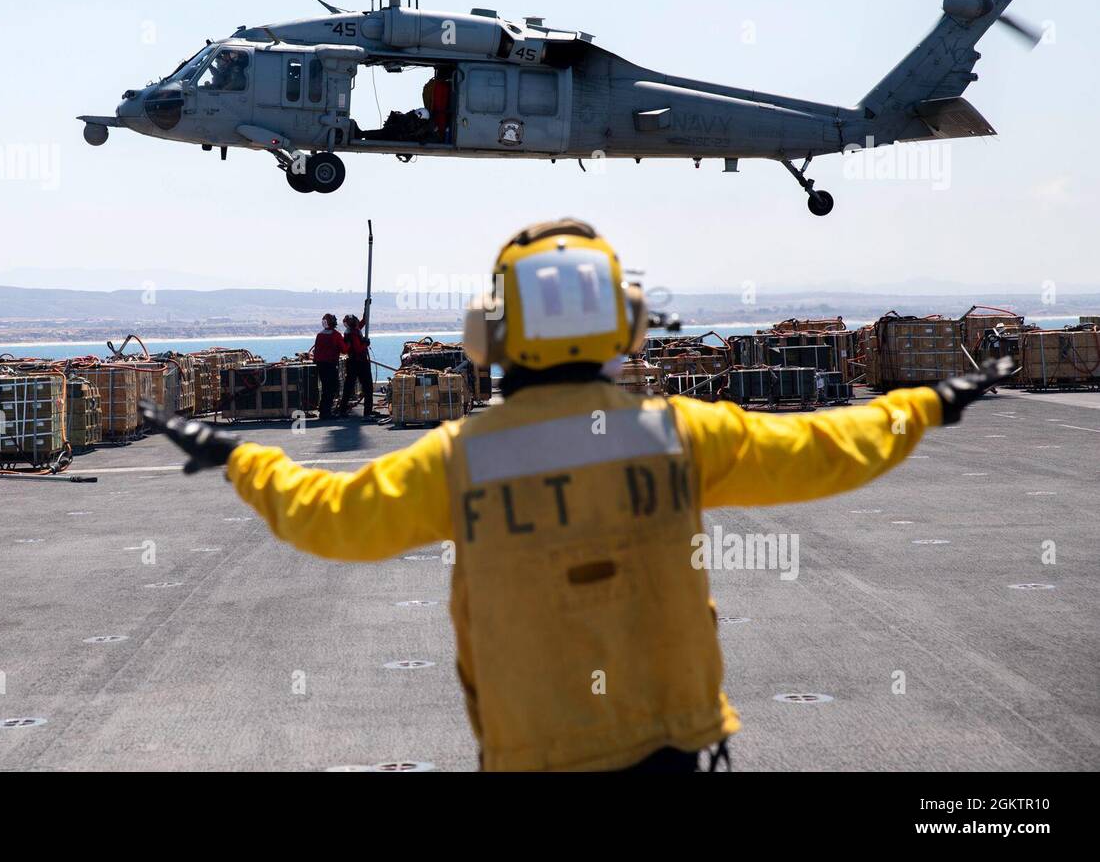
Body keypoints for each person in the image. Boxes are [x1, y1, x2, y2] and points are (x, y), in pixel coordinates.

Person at [143, 218, 1014, 772]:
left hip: (534, 754)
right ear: (625, 323)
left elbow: (328, 520)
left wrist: (235, 458)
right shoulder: (678, 433)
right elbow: (836, 449)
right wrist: (931, 401)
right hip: (673, 744)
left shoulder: (460, 458)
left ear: (489, 334)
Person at [312, 313, 346, 419]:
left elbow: (316, 351)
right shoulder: (336, 335)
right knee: (331, 388)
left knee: (326, 388)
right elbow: (344, 350)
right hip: (330, 365)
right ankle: (326, 412)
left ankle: (323, 410)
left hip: (321, 365)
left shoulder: (320, 335)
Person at [340, 313, 374, 417]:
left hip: (353, 363)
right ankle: (367, 412)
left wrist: (366, 307)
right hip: (359, 362)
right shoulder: (352, 333)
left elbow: (364, 321)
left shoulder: (353, 330)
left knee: (348, 387)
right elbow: (358, 349)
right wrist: (365, 344)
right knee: (367, 387)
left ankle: (343, 409)